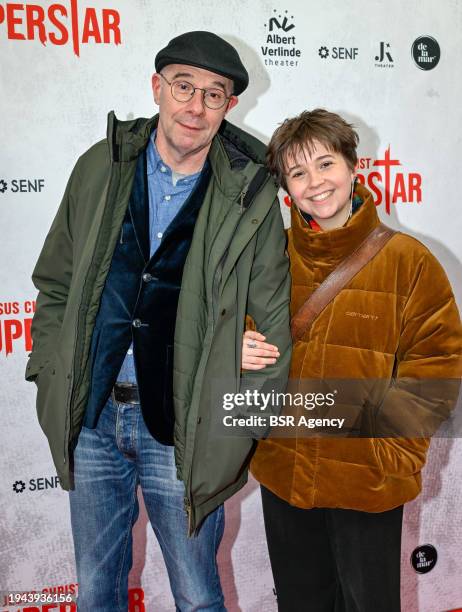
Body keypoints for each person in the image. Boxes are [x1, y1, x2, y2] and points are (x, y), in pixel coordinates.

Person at [25, 31, 291, 611]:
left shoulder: (251, 194)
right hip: (92, 417)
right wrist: (51, 370)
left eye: (213, 94)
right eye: (183, 87)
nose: (195, 106)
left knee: (197, 595)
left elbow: (273, 324)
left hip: (187, 429)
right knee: (97, 591)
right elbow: (56, 283)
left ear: (229, 107)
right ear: (157, 88)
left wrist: (234, 426)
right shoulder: (100, 166)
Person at [242, 109, 462, 611]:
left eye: (325, 164)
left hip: (367, 481)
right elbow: (240, 336)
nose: (315, 183)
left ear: (353, 167)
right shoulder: (269, 258)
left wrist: (391, 455)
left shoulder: (409, 260)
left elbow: (438, 364)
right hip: (285, 475)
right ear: (285, 188)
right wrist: (241, 346)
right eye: (298, 172)